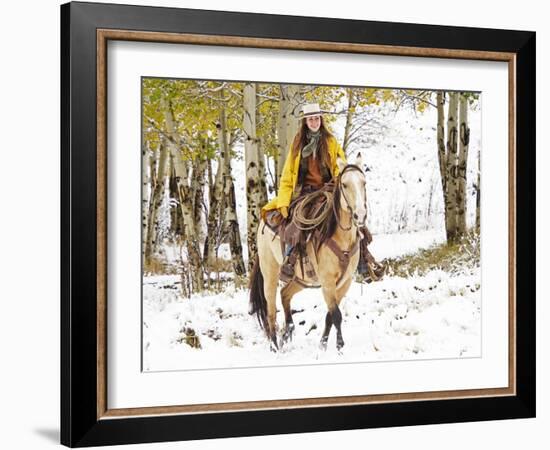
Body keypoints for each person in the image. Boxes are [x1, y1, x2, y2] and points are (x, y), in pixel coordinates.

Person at [261, 102, 374, 282]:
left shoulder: (330, 142)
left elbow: (340, 166)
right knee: (296, 221)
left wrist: (341, 181)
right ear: (305, 122)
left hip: (329, 189)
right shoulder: (297, 145)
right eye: (310, 119)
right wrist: (283, 201)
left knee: (352, 215)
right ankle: (290, 260)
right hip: (305, 192)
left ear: (321, 120)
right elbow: (288, 175)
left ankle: (364, 259)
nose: (314, 122)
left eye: (317, 119)